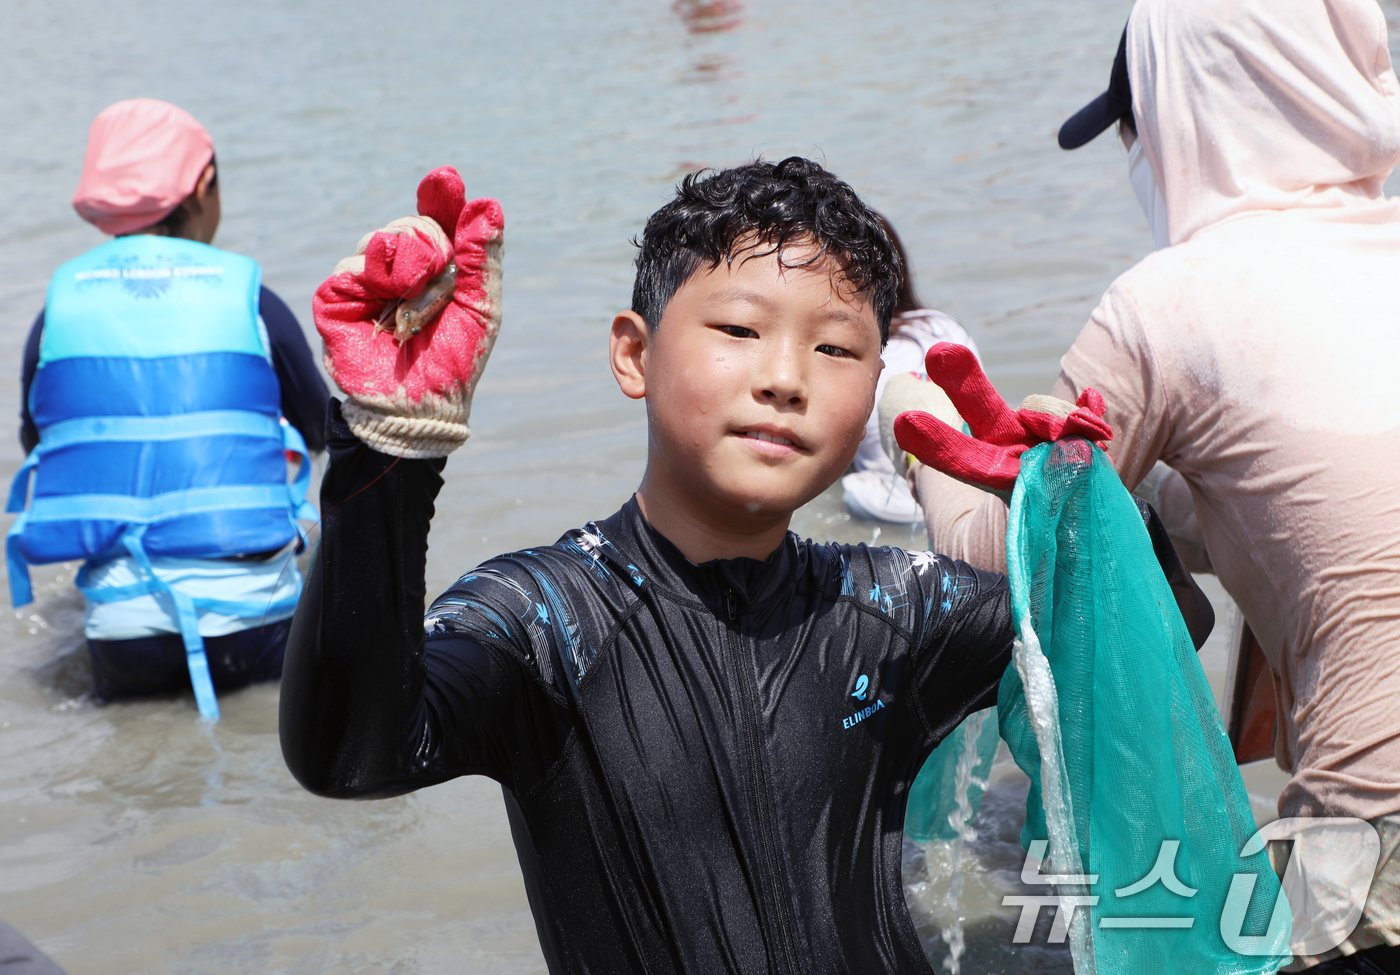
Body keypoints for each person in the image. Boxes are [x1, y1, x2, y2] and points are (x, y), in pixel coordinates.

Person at [280, 158, 1021, 972]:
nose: (785, 379)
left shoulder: (893, 612)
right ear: (633, 355)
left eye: (836, 348)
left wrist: (1059, 508)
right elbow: (350, 752)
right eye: (739, 330)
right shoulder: (548, 620)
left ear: (874, 385)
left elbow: (1153, 629)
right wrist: (387, 452)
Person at [911, 1, 1400, 970]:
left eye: (1131, 130)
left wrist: (901, 396)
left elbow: (1008, 559)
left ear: (1186, 107)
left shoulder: (1164, 305)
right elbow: (1287, 501)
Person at [9, 99, 329, 717]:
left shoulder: (56, 315)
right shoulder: (250, 300)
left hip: (121, 642)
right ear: (204, 184)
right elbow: (324, 433)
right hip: (255, 630)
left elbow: (47, 451)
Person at [840, 213, 979, 524]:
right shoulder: (942, 326)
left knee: (849, 486)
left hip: (897, 506)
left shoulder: (847, 347)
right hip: (971, 488)